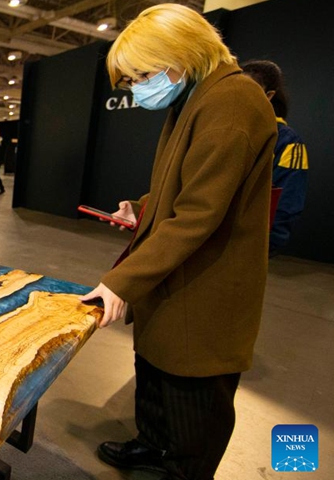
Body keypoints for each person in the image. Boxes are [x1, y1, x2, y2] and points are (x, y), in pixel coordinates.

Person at [79, 5, 277, 480]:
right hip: (175, 282)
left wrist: (121, 282)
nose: (137, 88)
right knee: (156, 378)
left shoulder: (232, 102)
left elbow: (198, 214)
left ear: (182, 54)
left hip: (204, 286)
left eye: (142, 75)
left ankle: (180, 467)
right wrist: (141, 208)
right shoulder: (198, 98)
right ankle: (152, 446)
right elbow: (186, 185)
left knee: (192, 407)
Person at [241, 60, 309, 257]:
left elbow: (287, 202)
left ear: (269, 95)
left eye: (250, 90)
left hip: (249, 247)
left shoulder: (288, 142)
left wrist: (263, 246)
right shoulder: (225, 131)